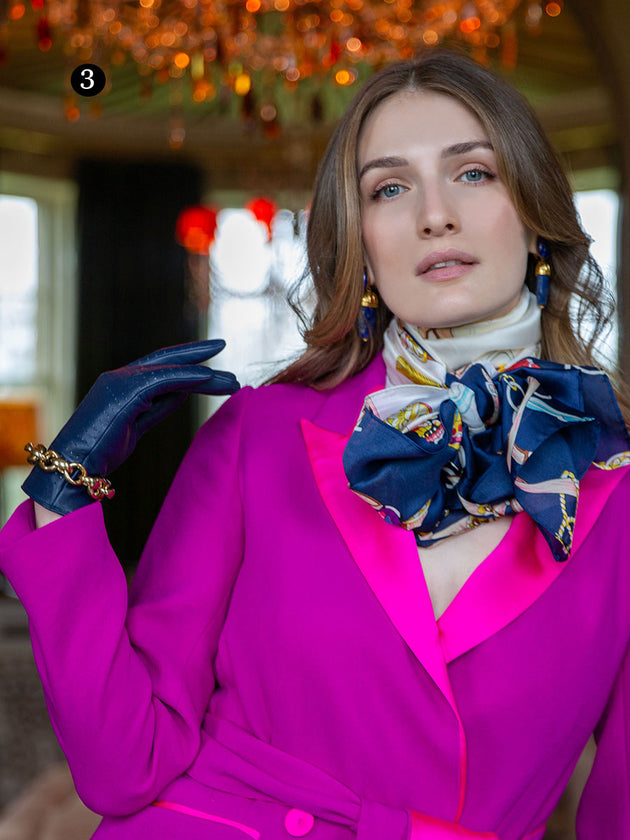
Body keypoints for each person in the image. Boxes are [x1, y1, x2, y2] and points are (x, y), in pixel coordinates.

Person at [1, 50, 630, 840]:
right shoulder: (256, 436)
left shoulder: (618, 493)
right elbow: (125, 765)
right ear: (361, 242)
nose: (434, 214)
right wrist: (62, 489)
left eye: (474, 173)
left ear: (536, 212)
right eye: (389, 188)